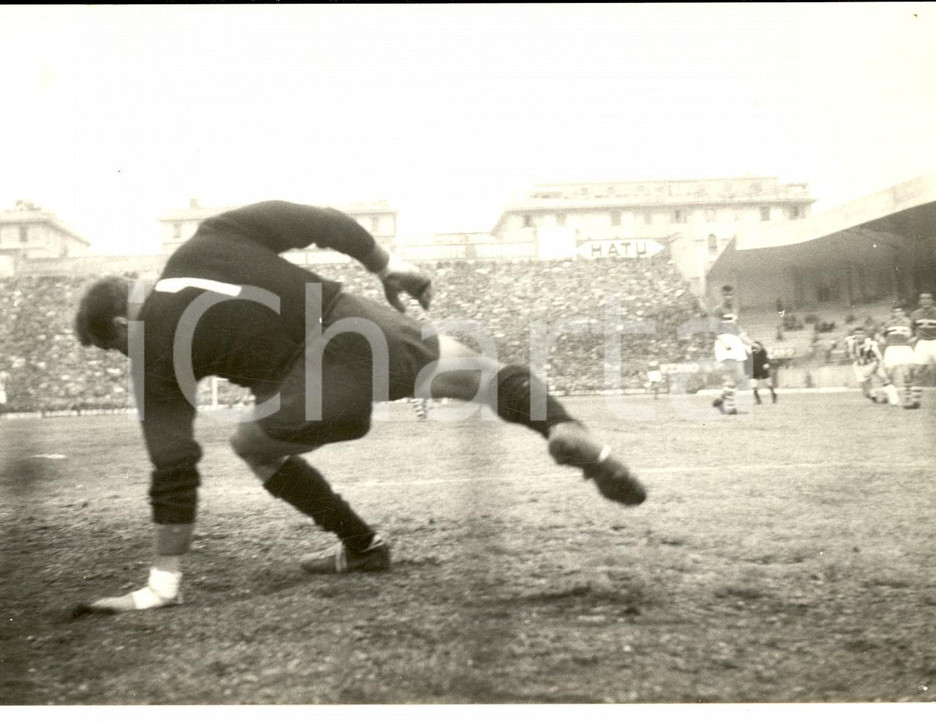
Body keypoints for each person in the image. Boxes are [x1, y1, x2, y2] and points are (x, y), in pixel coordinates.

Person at [71, 200, 645, 616]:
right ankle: (563, 428)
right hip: (360, 322)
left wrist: (162, 582)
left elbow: (173, 463)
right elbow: (319, 220)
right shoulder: (211, 237)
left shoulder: (152, 349)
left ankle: (362, 546)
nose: (124, 354)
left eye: (114, 346)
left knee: (249, 445)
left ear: (121, 323)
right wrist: (384, 264)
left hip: (315, 390)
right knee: (488, 377)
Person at [709, 285, 751, 415]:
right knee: (731, 378)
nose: (729, 297)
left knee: (740, 377)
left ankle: (720, 400)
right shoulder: (718, 310)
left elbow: (738, 329)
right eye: (726, 295)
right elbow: (714, 330)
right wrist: (724, 344)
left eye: (731, 294)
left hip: (736, 342)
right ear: (722, 295)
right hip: (725, 342)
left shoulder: (734, 310)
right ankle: (731, 408)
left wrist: (751, 343)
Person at [844, 327, 898, 404]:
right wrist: (849, 349)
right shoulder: (851, 343)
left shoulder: (870, 343)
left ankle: (894, 400)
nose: (859, 336)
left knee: (884, 378)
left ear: (865, 335)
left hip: (872, 364)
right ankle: (875, 398)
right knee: (866, 393)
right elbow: (851, 356)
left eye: (861, 334)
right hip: (859, 367)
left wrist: (877, 364)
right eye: (857, 334)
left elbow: (878, 355)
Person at [881, 303, 915, 409]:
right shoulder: (888, 323)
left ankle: (908, 397)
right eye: (896, 312)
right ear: (893, 313)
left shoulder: (909, 322)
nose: (898, 314)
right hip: (892, 349)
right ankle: (892, 398)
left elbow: (916, 335)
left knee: (907, 374)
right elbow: (882, 336)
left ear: (903, 312)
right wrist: (883, 341)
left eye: (900, 311)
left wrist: (910, 339)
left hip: (904, 349)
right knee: (889, 374)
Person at [907, 291, 936, 408]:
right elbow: (912, 329)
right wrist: (913, 337)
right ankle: (915, 401)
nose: (925, 301)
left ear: (932, 300)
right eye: (922, 299)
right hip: (922, 343)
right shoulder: (916, 314)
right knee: (918, 371)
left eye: (927, 298)